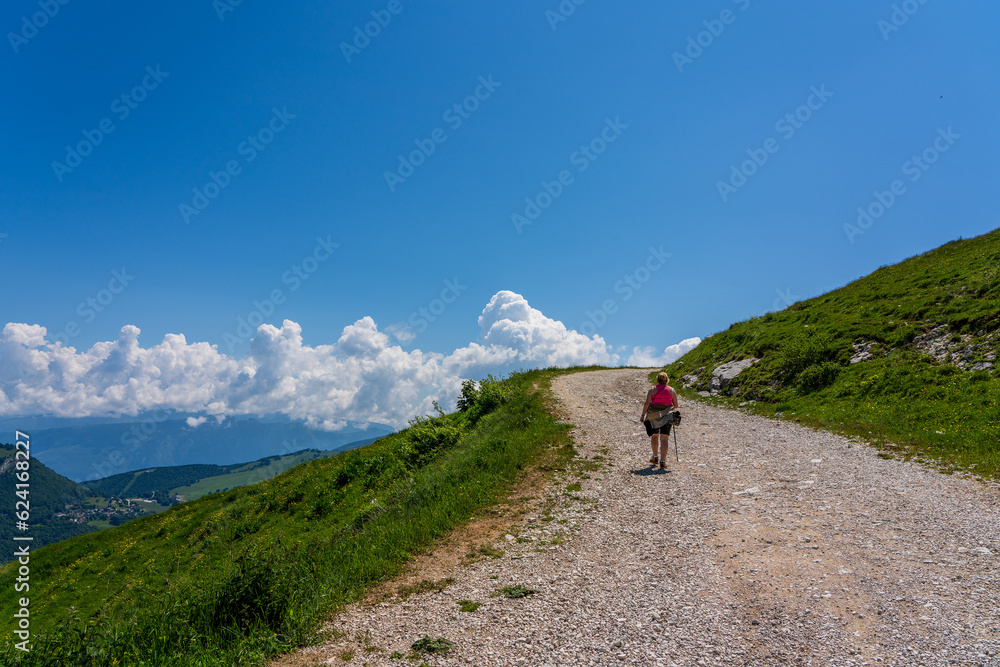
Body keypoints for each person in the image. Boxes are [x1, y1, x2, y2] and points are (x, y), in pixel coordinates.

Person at [640, 372, 679, 469]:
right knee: (664, 439)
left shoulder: (652, 389)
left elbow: (647, 403)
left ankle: (655, 457)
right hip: (667, 416)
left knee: (654, 436)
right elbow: (676, 405)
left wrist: (643, 415)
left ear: (657, 380)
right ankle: (663, 461)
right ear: (667, 380)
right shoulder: (671, 390)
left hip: (654, 416)